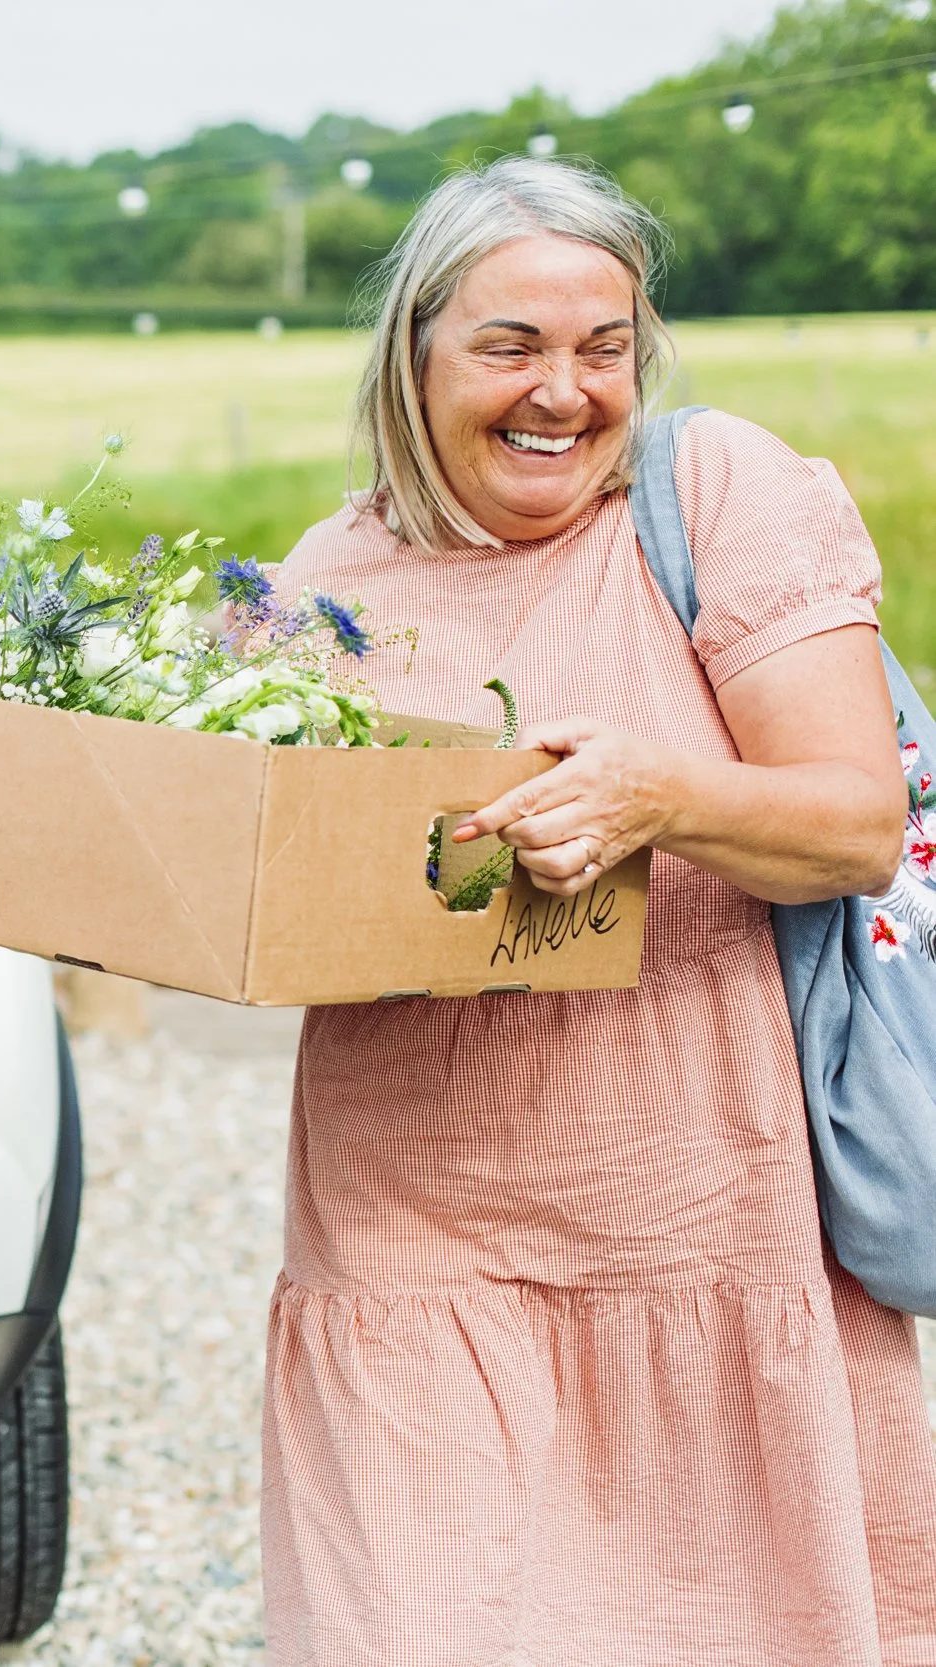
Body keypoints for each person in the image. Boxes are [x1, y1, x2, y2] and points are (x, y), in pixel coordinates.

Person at [261, 156, 936, 1663]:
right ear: (415, 354)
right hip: (406, 1228)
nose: (561, 390)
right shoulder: (323, 583)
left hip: (704, 1211)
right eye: (510, 346)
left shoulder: (714, 497)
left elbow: (856, 824)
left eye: (602, 346)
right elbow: (231, 879)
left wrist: (661, 799)